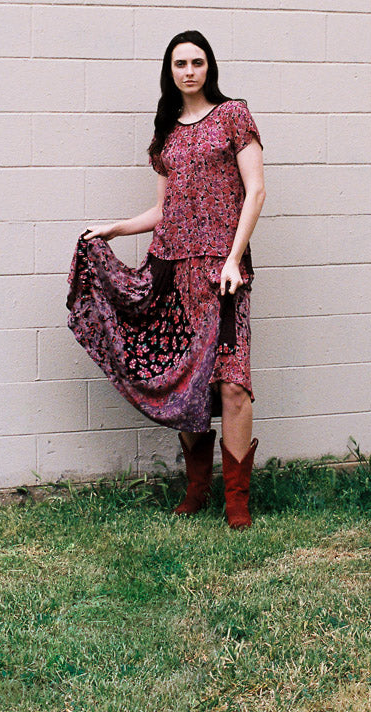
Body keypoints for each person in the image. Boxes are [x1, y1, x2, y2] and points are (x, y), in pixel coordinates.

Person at [67, 31, 266, 528]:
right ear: (170, 70)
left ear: (209, 66)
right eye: (180, 63)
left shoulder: (234, 116)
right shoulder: (166, 133)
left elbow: (256, 191)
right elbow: (164, 209)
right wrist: (114, 227)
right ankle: (197, 488)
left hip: (222, 274)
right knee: (188, 388)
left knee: (232, 385)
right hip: (172, 271)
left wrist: (233, 258)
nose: (190, 71)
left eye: (198, 62)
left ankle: (237, 500)